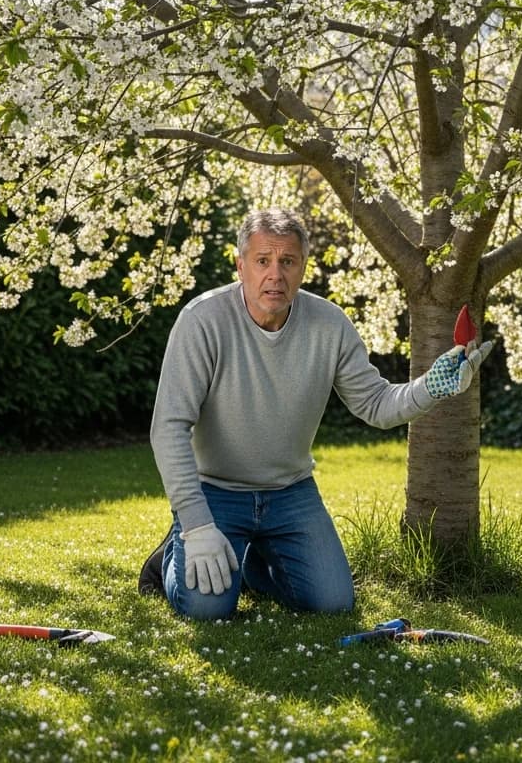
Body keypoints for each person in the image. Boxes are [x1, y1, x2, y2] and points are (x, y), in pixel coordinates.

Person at [139, 207, 493, 620]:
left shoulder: (330, 324)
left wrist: (431, 387)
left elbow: (375, 404)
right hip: (216, 491)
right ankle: (171, 555)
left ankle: (250, 562)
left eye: (287, 261)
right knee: (206, 608)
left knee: (333, 603)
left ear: (303, 267)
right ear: (241, 266)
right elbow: (168, 427)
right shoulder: (202, 321)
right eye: (263, 261)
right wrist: (197, 523)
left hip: (291, 493)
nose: (276, 274)